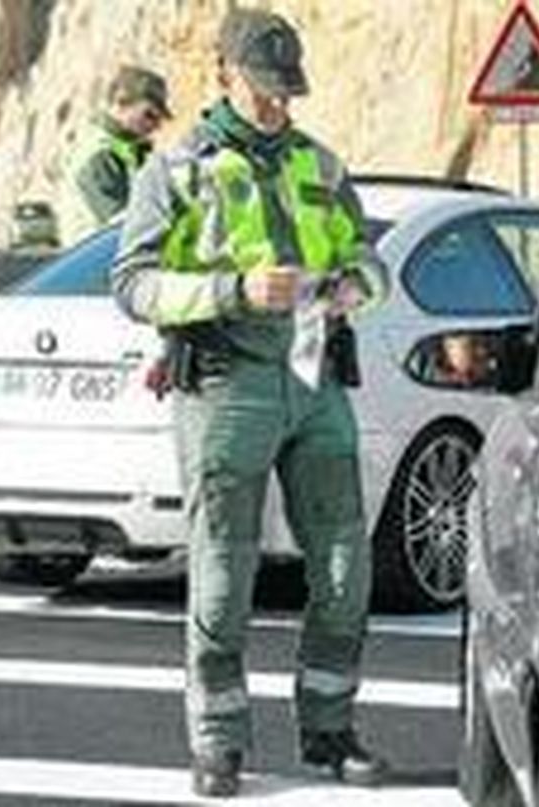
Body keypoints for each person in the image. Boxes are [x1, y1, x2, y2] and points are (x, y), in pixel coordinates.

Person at [110, 8, 389, 798]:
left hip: (315, 380)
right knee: (223, 573)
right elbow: (130, 284)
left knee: (346, 566)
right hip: (225, 383)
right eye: (263, 86)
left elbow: (373, 262)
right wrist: (233, 290)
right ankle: (219, 741)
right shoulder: (175, 168)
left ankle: (330, 730)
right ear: (224, 74)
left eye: (286, 89)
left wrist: (351, 287)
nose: (276, 102)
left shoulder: (320, 163)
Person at [61, 64, 172, 243]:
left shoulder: (128, 150)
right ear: (121, 103)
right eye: (149, 115)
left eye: (160, 119)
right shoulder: (98, 154)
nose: (155, 126)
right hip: (97, 255)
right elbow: (119, 223)